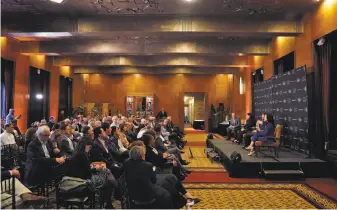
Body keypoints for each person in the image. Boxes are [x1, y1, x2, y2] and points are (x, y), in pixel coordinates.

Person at [67, 136, 117, 209]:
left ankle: (107, 201)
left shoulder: (78, 152)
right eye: (89, 146)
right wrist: (95, 168)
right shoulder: (82, 155)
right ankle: (109, 201)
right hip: (83, 180)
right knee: (108, 181)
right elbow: (86, 171)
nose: (90, 148)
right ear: (86, 145)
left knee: (106, 172)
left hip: (81, 176)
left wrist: (93, 167)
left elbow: (84, 167)